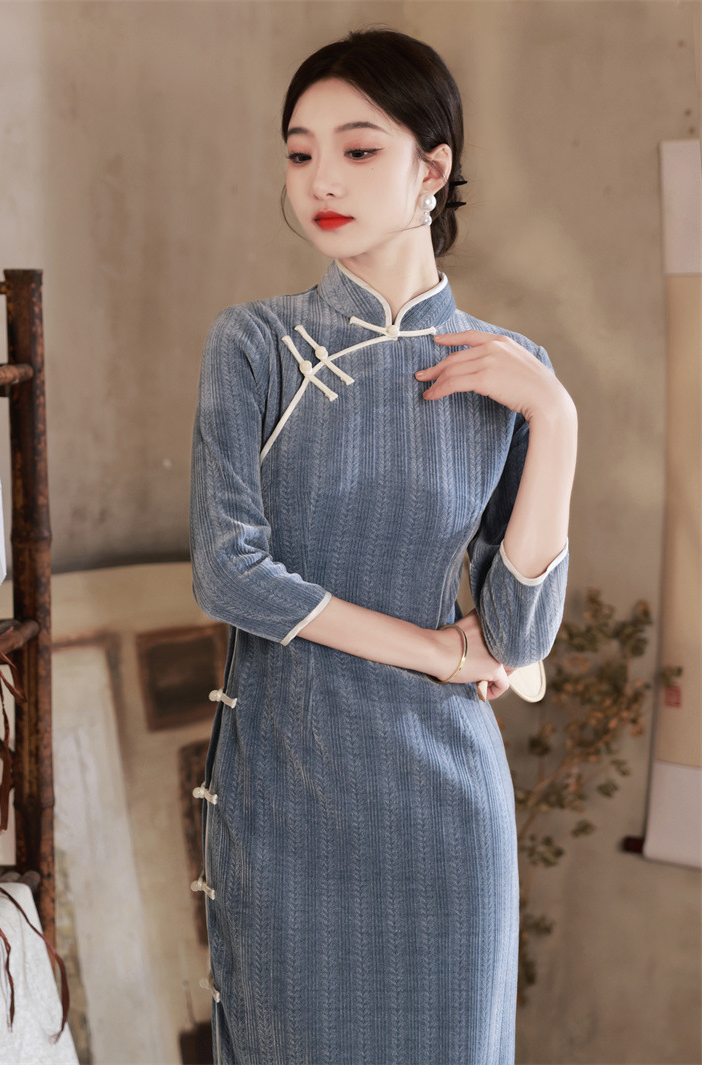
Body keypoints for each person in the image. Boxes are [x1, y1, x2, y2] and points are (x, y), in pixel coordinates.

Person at [190, 28, 576, 1065]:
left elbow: (517, 635)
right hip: (288, 787)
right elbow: (230, 574)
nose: (320, 179)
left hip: (446, 808)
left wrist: (555, 419)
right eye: (299, 151)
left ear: (431, 168)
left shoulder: (510, 370)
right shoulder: (255, 344)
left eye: (358, 149)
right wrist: (438, 654)